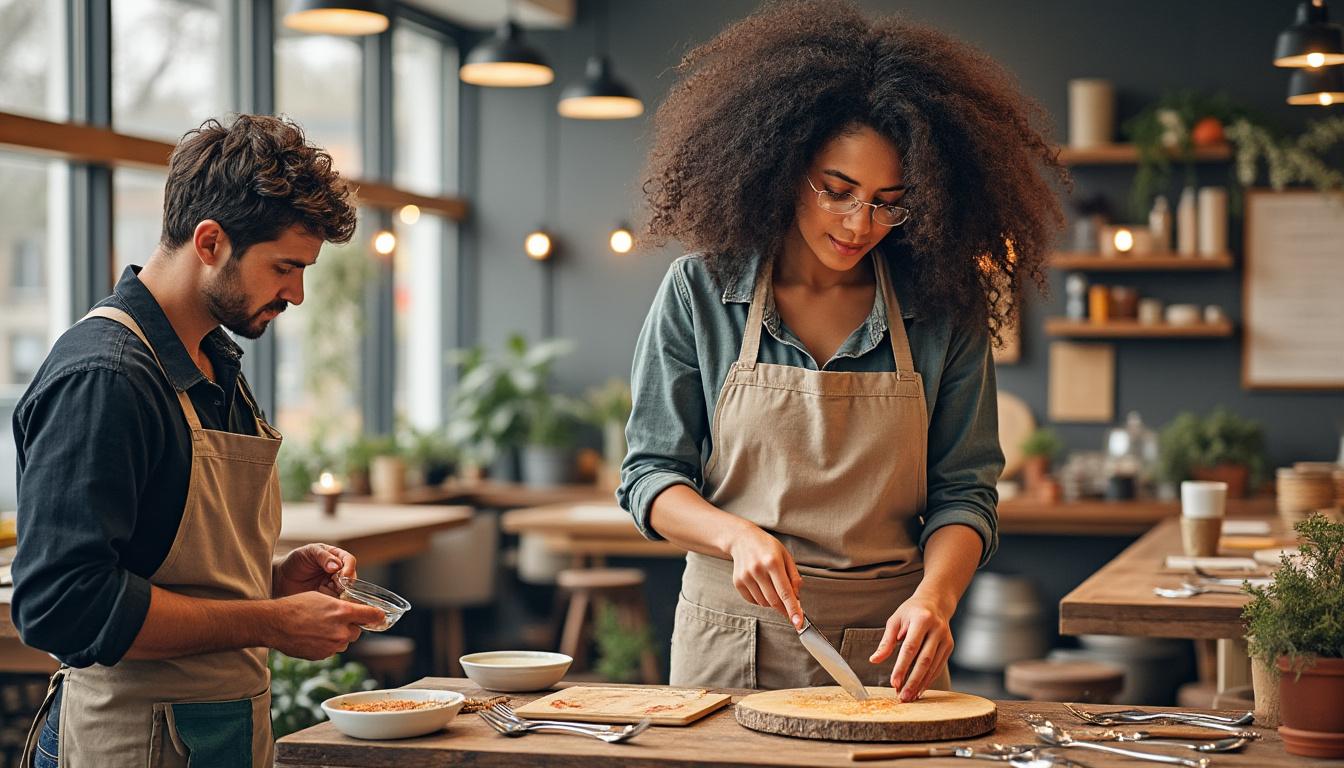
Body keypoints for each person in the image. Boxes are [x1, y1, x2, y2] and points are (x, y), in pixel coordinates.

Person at [618, 1, 1066, 699]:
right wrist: (735, 536)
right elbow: (649, 475)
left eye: (892, 201)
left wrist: (937, 600)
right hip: (730, 638)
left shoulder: (943, 308)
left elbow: (964, 494)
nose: (862, 223)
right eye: (837, 191)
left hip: (890, 642)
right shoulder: (701, 291)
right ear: (781, 164)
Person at [12, 114, 385, 767]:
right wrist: (269, 621)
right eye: (284, 267)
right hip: (126, 742)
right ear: (209, 241)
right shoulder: (106, 378)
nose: (296, 293)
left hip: (219, 733)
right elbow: (62, 605)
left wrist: (272, 582)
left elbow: (170, 567)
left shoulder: (216, 365)